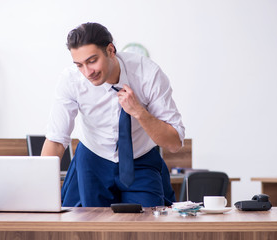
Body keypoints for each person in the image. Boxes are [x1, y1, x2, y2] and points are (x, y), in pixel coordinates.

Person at [41, 22, 185, 207]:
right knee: (88, 225)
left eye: (92, 61)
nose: (87, 72)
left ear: (110, 50)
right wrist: (40, 188)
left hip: (140, 159)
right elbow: (56, 139)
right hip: (92, 159)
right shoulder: (70, 80)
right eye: (79, 65)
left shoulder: (148, 74)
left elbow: (174, 143)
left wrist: (139, 112)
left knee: (148, 224)